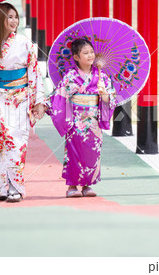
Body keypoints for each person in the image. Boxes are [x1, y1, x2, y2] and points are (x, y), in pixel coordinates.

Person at [0, 2, 45, 202]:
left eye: (16, 17)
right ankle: (2, 187)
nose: (14, 21)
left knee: (17, 142)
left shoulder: (25, 44)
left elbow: (35, 73)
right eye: (10, 17)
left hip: (21, 99)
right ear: (0, 20)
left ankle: (15, 186)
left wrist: (38, 101)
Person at [46, 38, 116, 198]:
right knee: (73, 152)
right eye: (85, 53)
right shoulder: (70, 76)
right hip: (75, 120)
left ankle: (87, 185)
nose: (90, 55)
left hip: (94, 121)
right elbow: (59, 96)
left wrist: (105, 94)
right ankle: (71, 186)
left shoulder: (102, 76)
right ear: (76, 57)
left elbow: (111, 99)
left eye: (91, 52)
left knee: (92, 152)